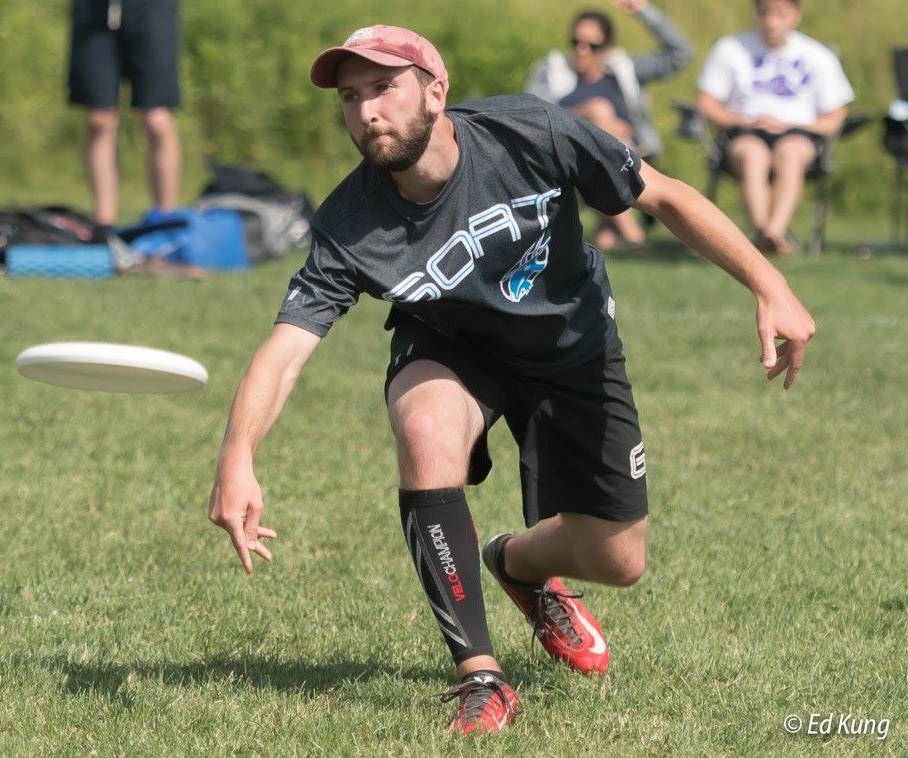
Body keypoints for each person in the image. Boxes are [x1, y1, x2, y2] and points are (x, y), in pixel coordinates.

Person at [207, 25, 815, 736]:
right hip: (455, 346)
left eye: (383, 89)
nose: (367, 112)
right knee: (426, 427)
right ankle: (482, 677)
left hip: (572, 345)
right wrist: (237, 456)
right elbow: (286, 346)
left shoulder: (528, 130)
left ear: (435, 90)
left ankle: (517, 564)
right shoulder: (350, 222)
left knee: (618, 560)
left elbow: (665, 196)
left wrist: (769, 285)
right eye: (350, 98)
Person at [526, 0, 693, 251]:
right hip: (568, 165)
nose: (582, 51)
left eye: (593, 46)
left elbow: (680, 54)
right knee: (599, 114)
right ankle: (635, 237)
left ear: (607, 48)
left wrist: (643, 11)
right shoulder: (551, 72)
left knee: (605, 240)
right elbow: (530, 116)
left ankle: (612, 230)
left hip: (630, 157)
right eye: (576, 42)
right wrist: (589, 114)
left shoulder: (623, 71)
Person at [697, 0, 854, 256]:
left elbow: (836, 115)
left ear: (796, 15)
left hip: (797, 132)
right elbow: (707, 103)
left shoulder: (816, 55)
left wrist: (792, 125)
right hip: (745, 130)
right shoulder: (730, 48)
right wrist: (743, 121)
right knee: (752, 154)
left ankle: (773, 232)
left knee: (791, 153)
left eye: (780, 15)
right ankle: (763, 232)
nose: (771, 22)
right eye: (764, 14)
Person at [68, 0, 182, 230]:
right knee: (99, 120)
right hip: (94, 11)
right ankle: (104, 226)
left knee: (157, 120)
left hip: (151, 10)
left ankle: (166, 222)